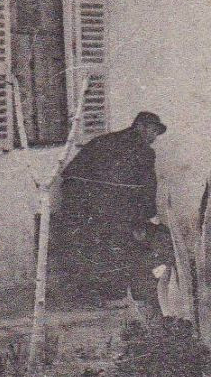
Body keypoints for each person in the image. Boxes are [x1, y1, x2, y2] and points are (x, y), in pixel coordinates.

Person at [50, 110, 167, 305]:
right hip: (99, 204)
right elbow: (147, 186)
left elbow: (70, 174)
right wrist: (151, 216)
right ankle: (114, 294)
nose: (154, 137)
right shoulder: (143, 150)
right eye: (153, 131)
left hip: (80, 202)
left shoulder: (105, 140)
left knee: (93, 246)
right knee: (119, 243)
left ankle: (94, 294)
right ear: (141, 127)